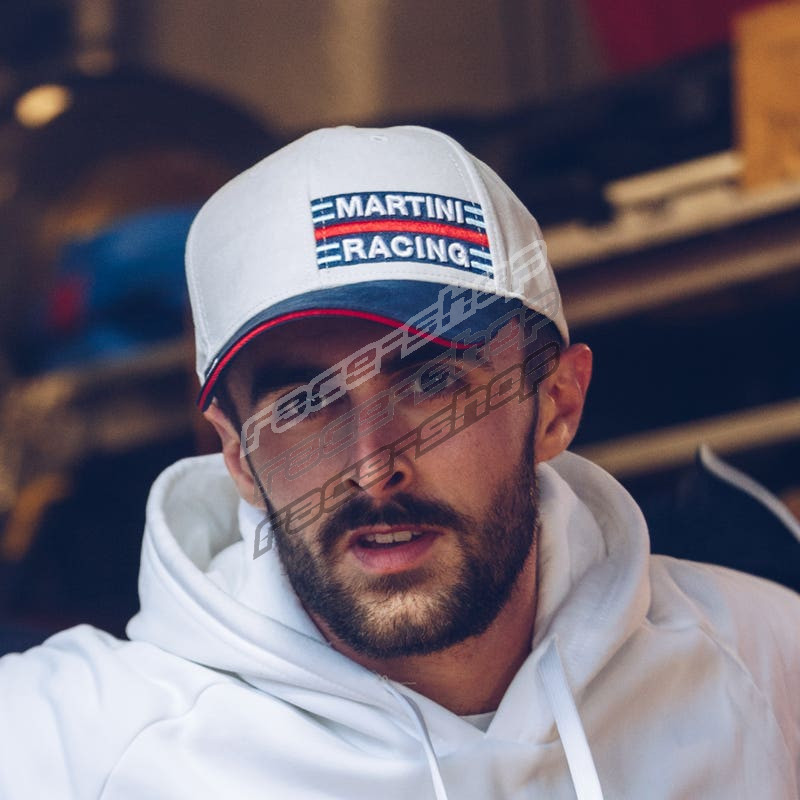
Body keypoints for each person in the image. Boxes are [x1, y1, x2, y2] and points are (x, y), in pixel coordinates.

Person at [1, 125, 798, 799]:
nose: (373, 466)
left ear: (556, 403)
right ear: (237, 456)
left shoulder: (767, 661)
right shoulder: (69, 747)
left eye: (432, 382)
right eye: (304, 404)